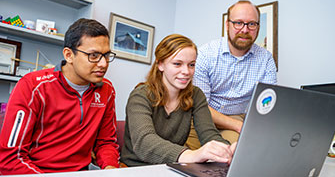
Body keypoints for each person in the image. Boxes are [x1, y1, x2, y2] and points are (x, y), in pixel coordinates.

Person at [0, 18, 120, 174]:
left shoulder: (106, 90)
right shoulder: (32, 86)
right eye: (94, 55)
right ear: (69, 55)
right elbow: (10, 158)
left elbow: (106, 142)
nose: (103, 63)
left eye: (106, 55)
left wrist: (111, 169)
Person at [120, 34, 237, 166]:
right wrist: (191, 155)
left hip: (170, 167)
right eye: (177, 64)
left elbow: (209, 134)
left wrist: (226, 151)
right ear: (160, 64)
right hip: (135, 168)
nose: (186, 71)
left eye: (191, 65)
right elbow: (144, 142)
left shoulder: (196, 95)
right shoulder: (140, 96)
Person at [186, 0, 277, 149]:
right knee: (191, 162)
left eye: (252, 24)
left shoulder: (266, 59)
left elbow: (265, 106)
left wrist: (244, 125)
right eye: (238, 23)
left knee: (235, 155)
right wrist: (238, 125)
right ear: (227, 25)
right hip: (202, 116)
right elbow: (200, 105)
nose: (245, 30)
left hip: (239, 118)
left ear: (258, 27)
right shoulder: (205, 54)